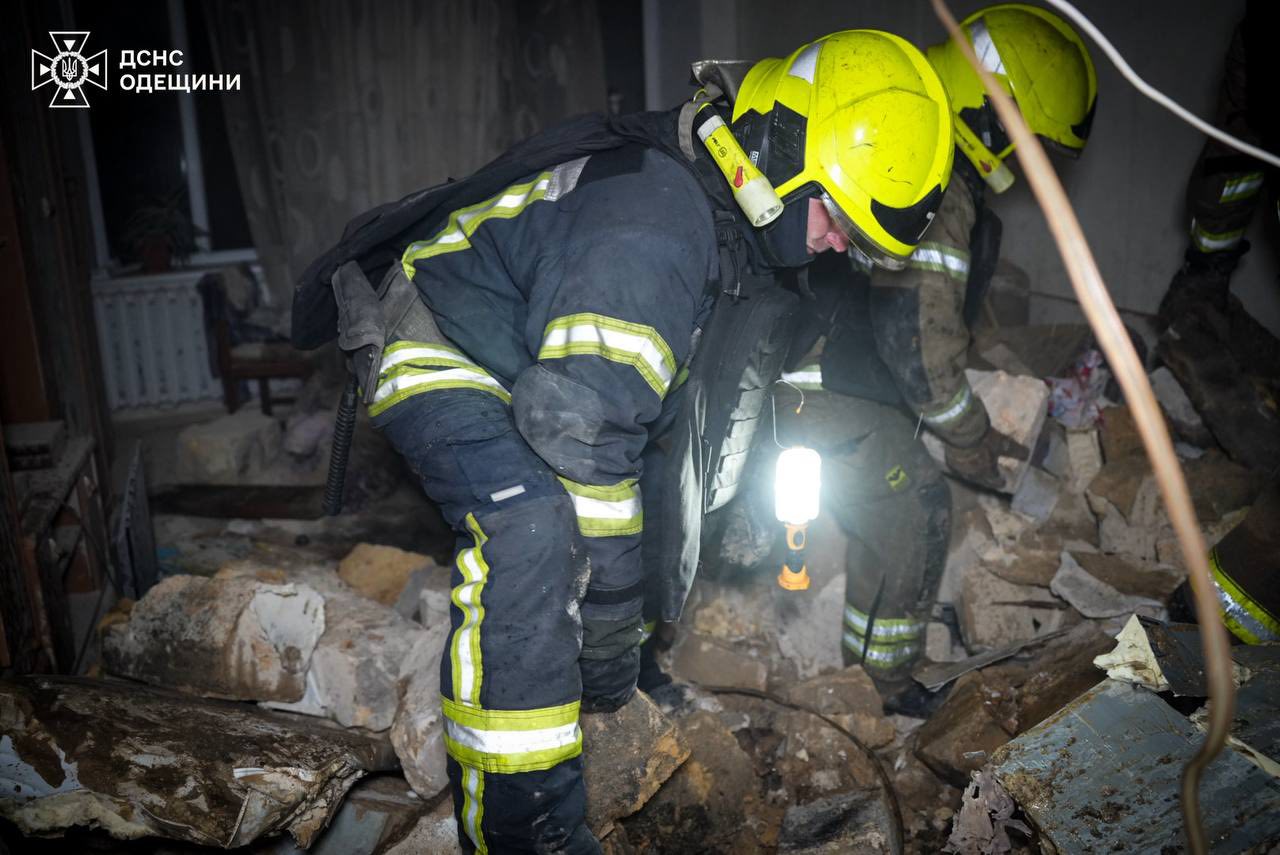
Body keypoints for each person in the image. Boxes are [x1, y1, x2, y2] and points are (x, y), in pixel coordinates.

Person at [292, 30, 954, 853]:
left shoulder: (730, 233)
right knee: (532, 526)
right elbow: (578, 437)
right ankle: (522, 822)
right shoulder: (656, 220)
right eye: (835, 219)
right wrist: (605, 633)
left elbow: (668, 436)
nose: (833, 245)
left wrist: (636, 633)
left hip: (536, 358)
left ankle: (622, 689)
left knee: (647, 497)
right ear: (783, 151)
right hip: (437, 332)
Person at [721, 4, 1098, 714]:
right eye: (1027, 140)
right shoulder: (941, 184)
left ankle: (855, 666)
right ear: (994, 113)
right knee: (918, 505)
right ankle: (882, 688)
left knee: (883, 503)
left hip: (801, 372)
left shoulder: (912, 155)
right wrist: (970, 434)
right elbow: (915, 339)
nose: (1025, 162)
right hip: (824, 390)